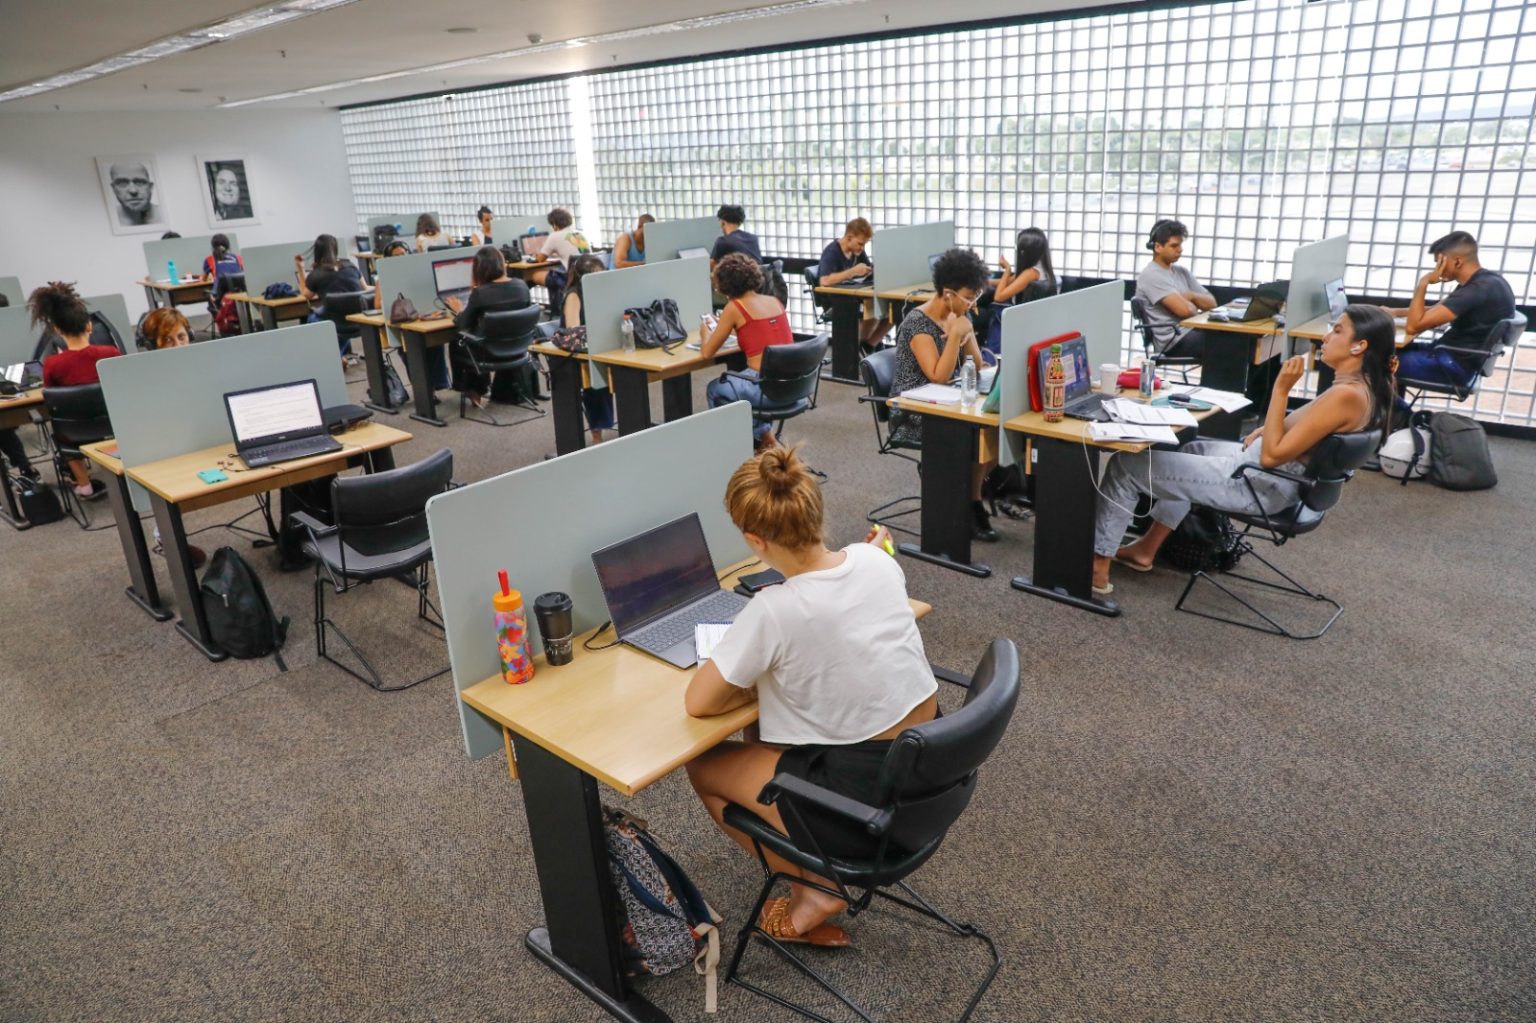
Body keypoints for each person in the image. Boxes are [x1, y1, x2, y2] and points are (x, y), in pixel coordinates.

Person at [684, 446, 938, 947]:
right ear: (816, 513)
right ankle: (809, 864)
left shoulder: (774, 609)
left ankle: (815, 889)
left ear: (755, 541)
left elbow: (699, 702)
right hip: (927, 775)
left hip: (864, 803)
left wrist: (749, 674)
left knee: (704, 767)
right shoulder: (875, 559)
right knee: (767, 725)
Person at [1090, 304, 1397, 595]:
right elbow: (1304, 427)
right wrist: (1268, 429)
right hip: (1266, 474)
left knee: (1125, 466)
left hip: (1256, 482)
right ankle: (1145, 549)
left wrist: (1281, 390)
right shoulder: (1364, 387)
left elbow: (1271, 457)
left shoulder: (1346, 396)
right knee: (1192, 448)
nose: (1326, 337)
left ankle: (1096, 567)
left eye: (1338, 331)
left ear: (1359, 346)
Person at [886, 248, 999, 542]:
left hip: (947, 404)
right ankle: (969, 503)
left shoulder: (958, 314)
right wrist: (956, 336)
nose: (973, 302)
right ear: (948, 294)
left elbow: (978, 365)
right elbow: (938, 376)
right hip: (914, 414)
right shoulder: (917, 323)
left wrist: (966, 333)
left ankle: (970, 498)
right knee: (976, 435)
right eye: (969, 296)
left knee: (994, 433)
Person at [1382, 231, 1516, 389]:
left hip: (1453, 366)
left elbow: (1413, 326)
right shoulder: (1487, 281)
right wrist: (1394, 312)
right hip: (1452, 356)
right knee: (1384, 351)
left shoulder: (1476, 290)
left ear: (1457, 261)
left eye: (1439, 262)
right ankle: (1394, 405)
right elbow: (1435, 310)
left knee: (1372, 362)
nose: (1436, 269)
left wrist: (1423, 283)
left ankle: (1397, 405)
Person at [31, 282, 123, 501]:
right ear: (89, 326)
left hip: (75, 433)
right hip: (115, 426)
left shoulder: (53, 364)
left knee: (61, 428)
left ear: (58, 330)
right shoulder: (111, 353)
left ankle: (84, 485)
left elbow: (52, 399)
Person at [703, 254, 795, 449]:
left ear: (723, 284)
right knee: (741, 381)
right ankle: (766, 439)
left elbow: (707, 353)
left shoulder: (734, 307)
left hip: (764, 387)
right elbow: (756, 332)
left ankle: (739, 447)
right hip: (793, 384)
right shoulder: (774, 301)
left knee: (715, 388)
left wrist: (705, 333)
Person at [445, 246, 535, 408]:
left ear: (479, 269)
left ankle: (475, 391)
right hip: (518, 349)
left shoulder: (480, 293)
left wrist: (458, 310)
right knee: (483, 337)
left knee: (459, 341)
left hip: (489, 354)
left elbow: (463, 324)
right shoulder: (522, 286)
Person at [1134, 219, 1216, 360]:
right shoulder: (1152, 275)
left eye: (1180, 245)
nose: (1180, 250)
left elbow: (1212, 304)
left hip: (1190, 332)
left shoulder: (1182, 272)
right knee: (1227, 343)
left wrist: (1191, 296)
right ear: (1157, 247)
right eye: (1174, 245)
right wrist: (1194, 305)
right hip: (1174, 340)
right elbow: (1186, 311)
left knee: (1242, 341)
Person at [980, 226, 1060, 358]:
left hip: (1017, 323)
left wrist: (1007, 269)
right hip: (1035, 324)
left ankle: (990, 354)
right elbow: (1009, 281)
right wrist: (983, 281)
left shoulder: (1030, 273)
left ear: (1025, 252)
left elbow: (999, 296)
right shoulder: (1043, 270)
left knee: (989, 311)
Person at [562, 254, 616, 445]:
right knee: (595, 380)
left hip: (601, 345)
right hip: (577, 354)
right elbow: (573, 331)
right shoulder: (574, 295)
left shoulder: (603, 292)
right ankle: (597, 437)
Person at [294, 234, 371, 364]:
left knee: (313, 319)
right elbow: (365, 288)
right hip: (358, 320)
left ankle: (332, 357)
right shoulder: (350, 266)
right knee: (338, 315)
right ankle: (338, 356)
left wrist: (300, 269)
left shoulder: (316, 274)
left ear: (317, 251)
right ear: (335, 248)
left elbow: (306, 295)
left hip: (337, 323)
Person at [816, 217, 890, 351]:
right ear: (849, 237)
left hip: (852, 296)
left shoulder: (857, 251)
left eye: (864, 244)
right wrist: (852, 272)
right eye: (860, 244)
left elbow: (868, 267)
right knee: (874, 307)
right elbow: (824, 281)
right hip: (835, 301)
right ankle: (858, 346)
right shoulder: (832, 252)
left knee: (892, 309)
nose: (862, 248)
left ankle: (868, 345)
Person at [107, 161, 161, 227]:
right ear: (113, 188)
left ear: (150, 187)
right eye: (122, 183)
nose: (133, 191)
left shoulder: (166, 214)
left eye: (140, 182)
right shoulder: (105, 221)